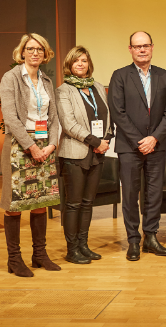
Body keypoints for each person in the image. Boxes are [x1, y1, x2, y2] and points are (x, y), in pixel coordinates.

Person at [108, 31, 166, 261]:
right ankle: (133, 240)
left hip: (157, 145)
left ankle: (151, 237)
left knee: (154, 194)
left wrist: (154, 138)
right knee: (129, 194)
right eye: (137, 46)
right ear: (130, 49)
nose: (142, 50)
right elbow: (118, 112)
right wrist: (140, 140)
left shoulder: (164, 76)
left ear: (152, 47)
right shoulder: (120, 76)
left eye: (146, 45)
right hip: (129, 147)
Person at [0, 33, 61, 277]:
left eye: (40, 49)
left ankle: (40, 255)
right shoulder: (11, 78)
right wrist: (31, 146)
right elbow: (10, 117)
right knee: (15, 205)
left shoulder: (46, 80)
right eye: (31, 49)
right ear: (22, 52)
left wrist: (51, 145)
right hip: (18, 145)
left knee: (40, 202)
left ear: (45, 54)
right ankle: (14, 259)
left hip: (44, 145)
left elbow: (55, 119)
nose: (35, 53)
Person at [56, 46, 114, 264]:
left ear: (89, 64)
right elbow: (69, 124)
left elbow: (108, 116)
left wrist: (106, 139)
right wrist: (95, 142)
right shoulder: (64, 91)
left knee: (88, 202)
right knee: (74, 203)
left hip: (97, 153)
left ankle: (83, 245)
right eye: (75, 61)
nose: (80, 64)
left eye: (84, 60)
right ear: (69, 66)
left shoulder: (98, 87)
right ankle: (72, 250)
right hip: (75, 153)